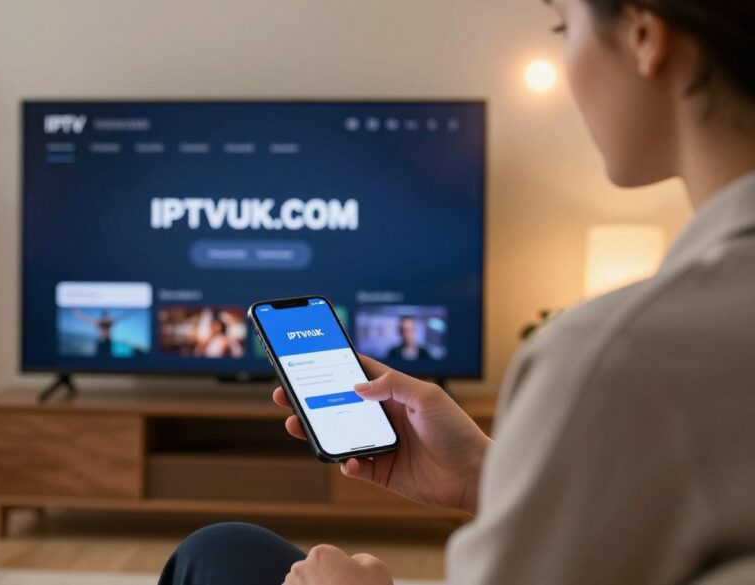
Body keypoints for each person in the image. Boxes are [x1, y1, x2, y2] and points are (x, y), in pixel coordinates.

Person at [159, 0, 755, 583]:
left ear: (645, 36)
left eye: (562, 25)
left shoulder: (613, 355)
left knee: (215, 554)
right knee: (224, 548)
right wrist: (483, 477)